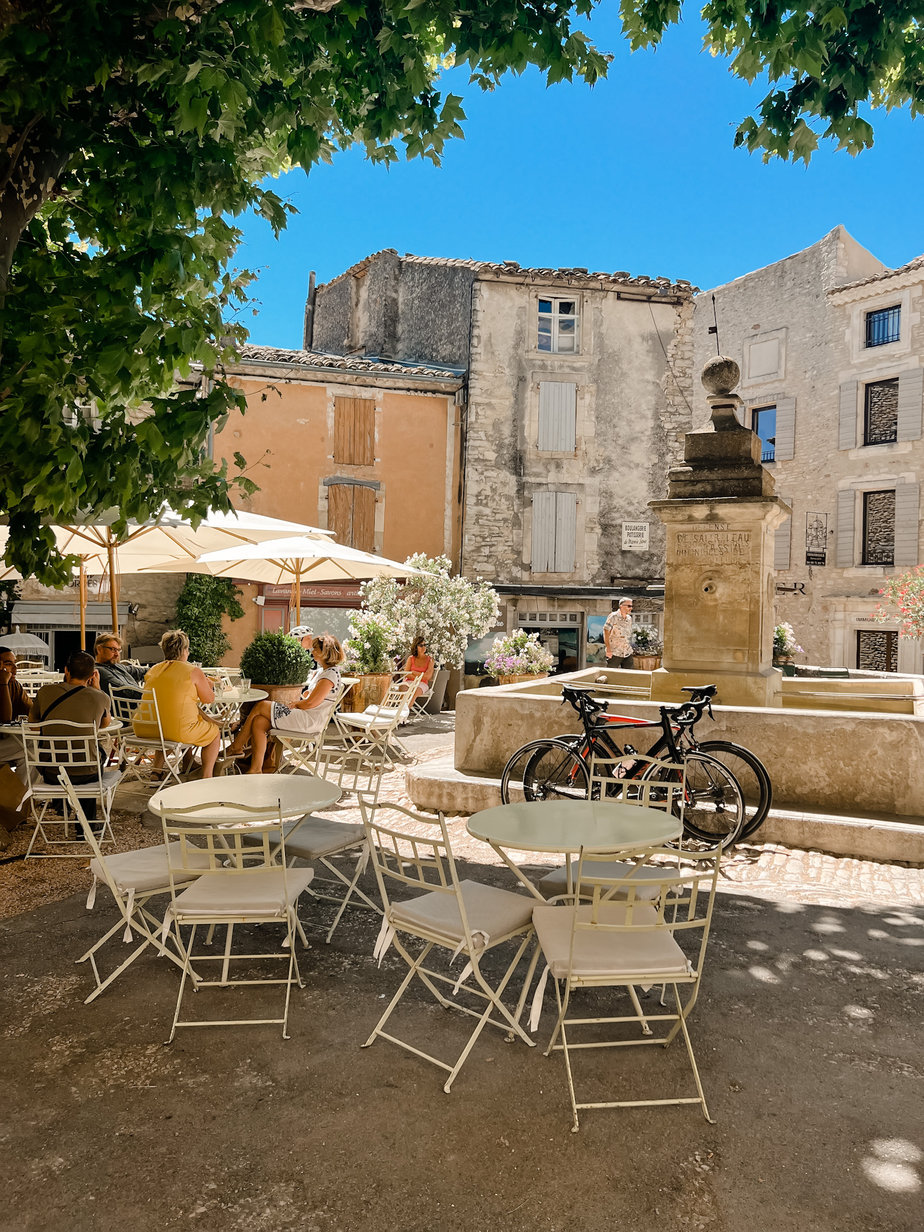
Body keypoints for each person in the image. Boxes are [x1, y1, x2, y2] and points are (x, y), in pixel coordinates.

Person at [223, 634, 344, 775]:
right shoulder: (325, 672)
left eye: (315, 649)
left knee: (262, 705)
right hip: (306, 716)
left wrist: (296, 704)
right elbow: (311, 698)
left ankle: (236, 747)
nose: (312, 652)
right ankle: (255, 770)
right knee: (259, 722)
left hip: (309, 721)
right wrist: (303, 700)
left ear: (325, 652)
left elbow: (311, 703)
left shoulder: (329, 675)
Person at [29, 651, 111, 817]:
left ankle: (62, 806)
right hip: (86, 774)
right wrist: (97, 689)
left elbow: (33, 725)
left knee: (66, 755)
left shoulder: (45, 691)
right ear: (92, 675)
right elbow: (103, 725)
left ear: (66, 670)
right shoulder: (100, 697)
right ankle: (87, 824)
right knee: (94, 752)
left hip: (51, 772)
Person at [133, 630, 221, 779]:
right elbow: (208, 699)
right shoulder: (193, 671)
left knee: (168, 721)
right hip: (174, 730)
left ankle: (157, 771)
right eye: (187, 649)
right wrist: (209, 685)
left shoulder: (154, 669)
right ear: (184, 650)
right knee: (214, 733)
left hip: (144, 727)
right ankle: (207, 777)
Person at [0, 645, 32, 765]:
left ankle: (21, 785)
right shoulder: (7, 684)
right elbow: (5, 719)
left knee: (30, 756)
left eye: (15, 664)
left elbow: (33, 712)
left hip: (6, 741)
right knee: (30, 749)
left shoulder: (15, 686)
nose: (15, 669)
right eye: (9, 664)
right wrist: (3, 684)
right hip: (4, 743)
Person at [94, 632, 146, 697]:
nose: (117, 654)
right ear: (99, 649)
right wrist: (150, 695)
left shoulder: (118, 666)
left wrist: (159, 669)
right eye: (113, 650)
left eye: (118, 650)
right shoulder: (98, 671)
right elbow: (125, 691)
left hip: (142, 701)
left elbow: (140, 671)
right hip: (132, 705)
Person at [603, 598, 634, 668]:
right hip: (614, 652)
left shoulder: (629, 618)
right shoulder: (613, 616)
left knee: (630, 675)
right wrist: (608, 649)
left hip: (627, 652)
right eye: (629, 606)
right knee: (611, 674)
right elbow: (606, 632)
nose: (631, 608)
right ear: (621, 606)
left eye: (631, 606)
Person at [403, 636, 434, 704]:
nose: (423, 647)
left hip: (422, 684)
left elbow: (428, 677)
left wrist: (414, 672)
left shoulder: (430, 660)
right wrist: (420, 676)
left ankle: (404, 712)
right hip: (409, 682)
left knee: (414, 692)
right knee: (402, 689)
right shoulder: (411, 658)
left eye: (425, 645)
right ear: (416, 647)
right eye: (421, 645)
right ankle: (399, 711)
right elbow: (406, 674)